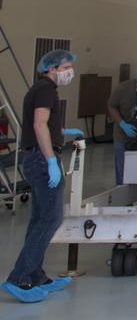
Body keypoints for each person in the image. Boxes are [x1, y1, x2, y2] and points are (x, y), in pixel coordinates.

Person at [3, 49, 84, 304]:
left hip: (36, 156)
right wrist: (51, 160)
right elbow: (39, 125)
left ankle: (36, 275)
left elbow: (45, 124)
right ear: (51, 69)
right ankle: (20, 277)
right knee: (50, 219)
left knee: (40, 219)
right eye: (65, 67)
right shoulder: (46, 90)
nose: (69, 72)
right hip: (41, 159)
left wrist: (63, 132)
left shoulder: (41, 89)